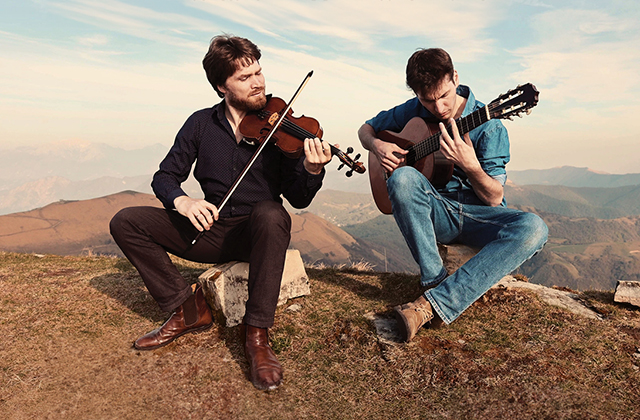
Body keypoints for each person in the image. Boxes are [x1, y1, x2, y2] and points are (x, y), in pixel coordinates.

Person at [110, 35, 332, 391]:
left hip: (257, 234)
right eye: (245, 78)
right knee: (126, 221)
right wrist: (184, 202)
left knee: (271, 213)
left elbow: (298, 198)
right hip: (211, 231)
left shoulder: (280, 129)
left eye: (259, 72)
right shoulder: (200, 124)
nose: (258, 82)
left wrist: (311, 169)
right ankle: (187, 309)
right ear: (221, 87)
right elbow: (165, 176)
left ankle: (257, 336)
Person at [358, 48, 548, 342]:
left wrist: (471, 166)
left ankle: (431, 304)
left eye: (444, 96)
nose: (439, 107)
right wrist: (377, 146)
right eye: (428, 100)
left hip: (479, 216)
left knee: (534, 228)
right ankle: (433, 281)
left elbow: (495, 198)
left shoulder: (489, 125)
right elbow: (365, 129)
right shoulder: (415, 109)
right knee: (404, 176)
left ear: (455, 77)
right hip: (440, 212)